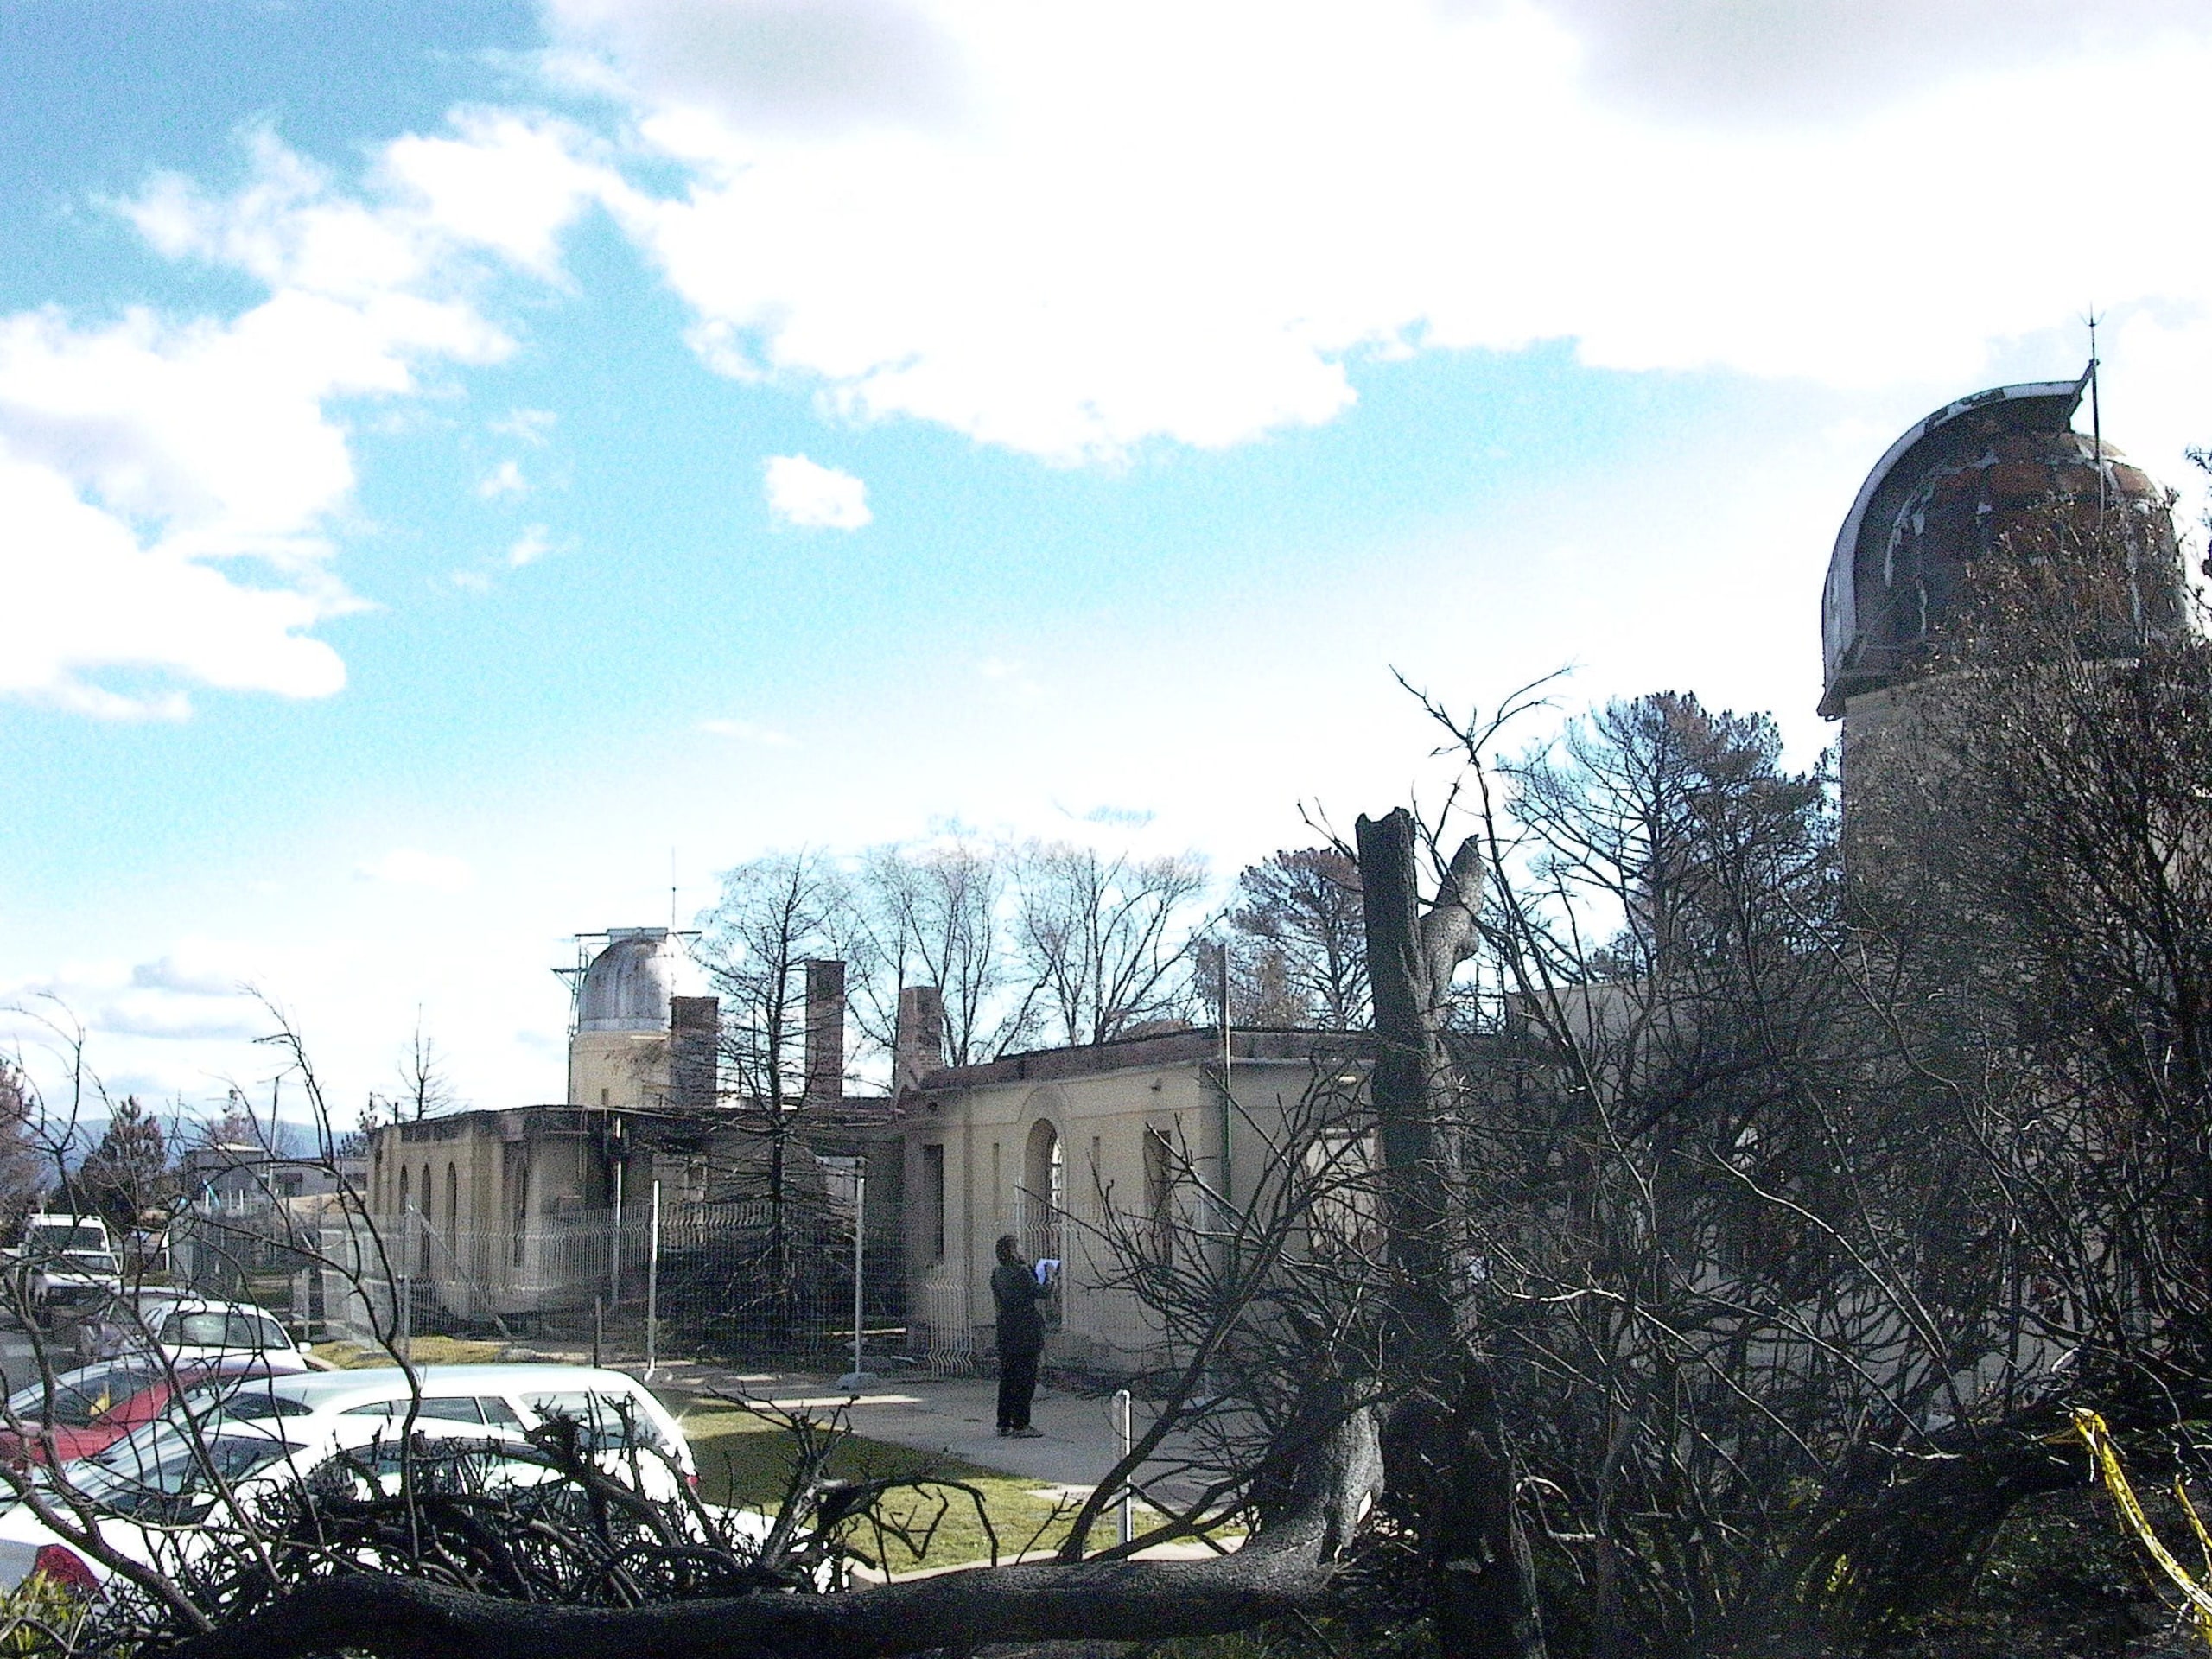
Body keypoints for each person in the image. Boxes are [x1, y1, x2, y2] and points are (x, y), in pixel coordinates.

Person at [990, 1233, 1052, 1437]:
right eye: (1019, 1247)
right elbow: (1041, 1292)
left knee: (1007, 1378)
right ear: (1013, 1251)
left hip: (1006, 1329)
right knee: (1025, 1378)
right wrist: (1049, 1277)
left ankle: (1003, 1422)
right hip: (1025, 1330)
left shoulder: (997, 1273)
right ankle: (1021, 1424)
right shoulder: (1022, 1272)